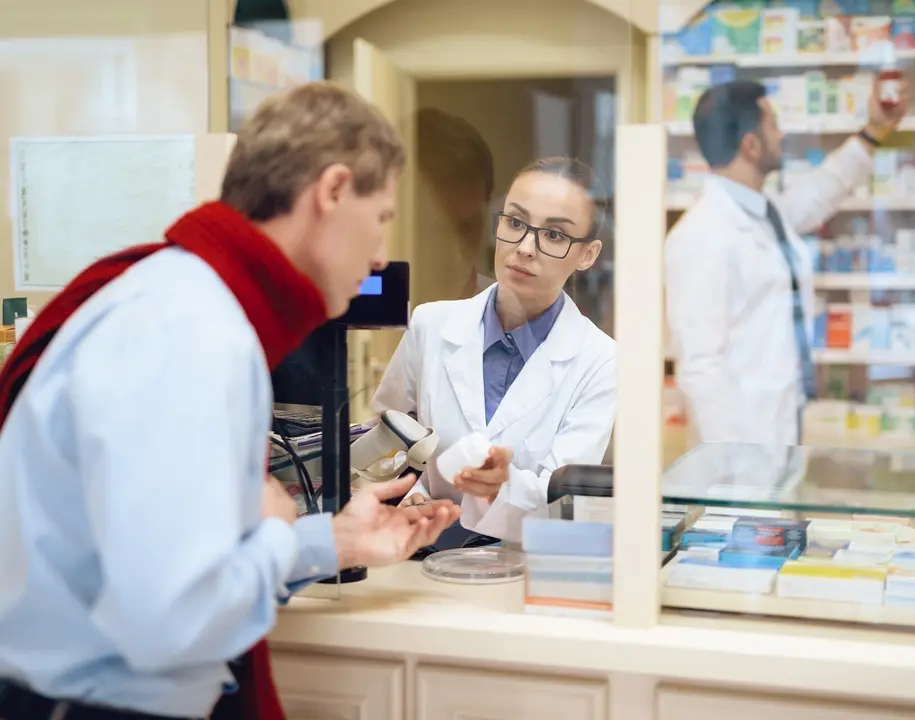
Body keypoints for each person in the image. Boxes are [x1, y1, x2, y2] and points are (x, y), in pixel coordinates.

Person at [0, 82, 459, 720]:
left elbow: (182, 559)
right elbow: (172, 618)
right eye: (380, 217)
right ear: (330, 191)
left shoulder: (189, 301)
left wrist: (336, 542)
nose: (381, 255)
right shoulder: (190, 333)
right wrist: (271, 530)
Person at [372, 157, 616, 543]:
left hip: (522, 570)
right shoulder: (431, 326)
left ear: (587, 255)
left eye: (554, 236)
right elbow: (384, 446)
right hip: (420, 561)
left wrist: (503, 484)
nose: (524, 248)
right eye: (515, 223)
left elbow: (564, 497)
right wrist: (414, 493)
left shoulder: (601, 361)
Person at [665, 78, 908, 447]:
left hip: (779, 428)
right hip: (741, 449)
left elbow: (820, 192)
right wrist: (735, 467)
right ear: (750, 145)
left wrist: (874, 132)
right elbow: (700, 369)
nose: (781, 135)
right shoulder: (701, 235)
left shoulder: (763, 213)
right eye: (773, 126)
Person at [415, 107, 497, 303]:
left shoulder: (516, 323)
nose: (453, 256)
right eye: (433, 231)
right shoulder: (363, 320)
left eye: (467, 228)